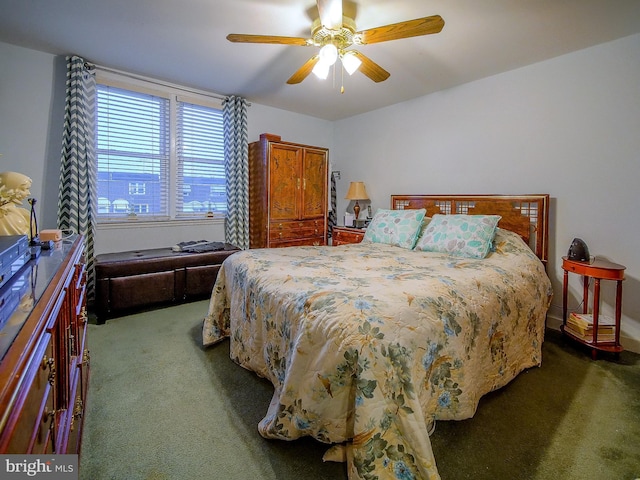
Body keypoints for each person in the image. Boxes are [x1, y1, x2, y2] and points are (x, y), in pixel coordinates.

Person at [0, 171, 33, 236]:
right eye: (24, 189)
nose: (28, 193)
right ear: (10, 189)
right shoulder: (6, 216)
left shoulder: (24, 214)